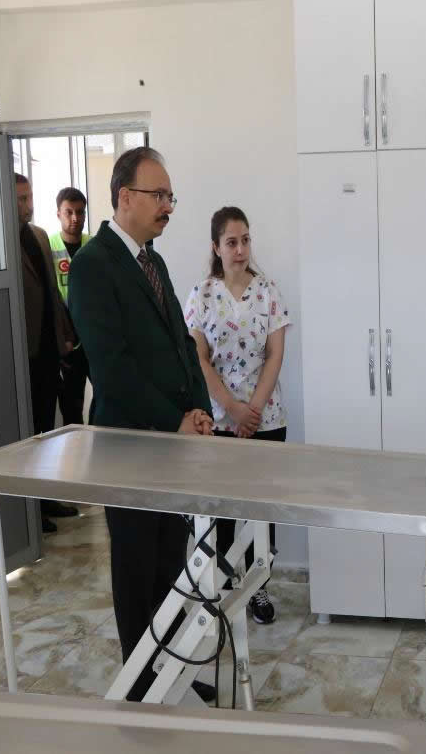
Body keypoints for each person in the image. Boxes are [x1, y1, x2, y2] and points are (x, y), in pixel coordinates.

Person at [68, 147, 216, 703]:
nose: (168, 206)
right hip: (127, 446)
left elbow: (182, 342)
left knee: (168, 568)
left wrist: (198, 409)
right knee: (136, 572)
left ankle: (170, 676)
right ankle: (140, 691)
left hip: (170, 446)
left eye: (171, 196)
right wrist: (174, 420)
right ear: (125, 197)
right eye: (159, 195)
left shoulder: (153, 261)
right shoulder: (93, 265)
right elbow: (113, 369)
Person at [184, 206, 290, 625]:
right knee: (224, 510)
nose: (241, 249)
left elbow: (275, 354)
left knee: (262, 511)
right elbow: (198, 358)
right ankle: (227, 586)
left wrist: (253, 411)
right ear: (216, 247)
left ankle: (259, 588)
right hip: (218, 420)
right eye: (232, 242)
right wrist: (231, 408)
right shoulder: (202, 295)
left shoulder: (268, 291)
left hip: (267, 419)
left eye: (245, 240)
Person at [15, 173, 78, 533]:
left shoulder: (39, 236)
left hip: (48, 352)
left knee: (45, 430)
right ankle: (29, 511)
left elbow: (53, 293)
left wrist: (63, 335)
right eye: (20, 199)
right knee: (24, 435)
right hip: (22, 353)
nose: (27, 205)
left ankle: (46, 498)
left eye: (28, 197)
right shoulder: (0, 241)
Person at [49, 187, 90, 426]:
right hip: (67, 338)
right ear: (58, 214)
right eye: (69, 212)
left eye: (80, 212)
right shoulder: (49, 245)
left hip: (92, 334)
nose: (75, 218)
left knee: (108, 394)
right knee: (72, 405)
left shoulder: (93, 244)